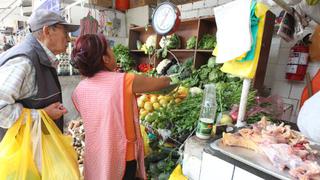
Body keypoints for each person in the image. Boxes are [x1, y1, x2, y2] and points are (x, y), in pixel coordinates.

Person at [71, 34, 176, 180]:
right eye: (110, 49)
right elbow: (162, 83)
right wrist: (170, 77)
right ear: (105, 58)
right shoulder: (125, 81)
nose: (113, 52)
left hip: (95, 153)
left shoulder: (79, 90)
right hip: (122, 156)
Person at [0, 9, 79, 141]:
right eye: (65, 32)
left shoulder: (39, 58)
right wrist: (43, 115)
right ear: (47, 31)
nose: (69, 39)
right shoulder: (24, 62)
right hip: (23, 154)